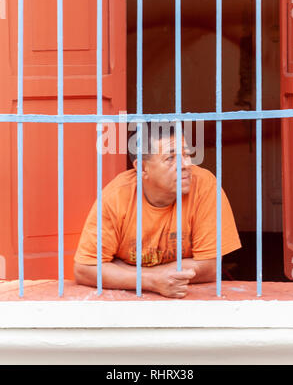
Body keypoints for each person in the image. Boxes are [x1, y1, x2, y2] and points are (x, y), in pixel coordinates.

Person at [74, 123, 241, 298]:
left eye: (186, 154)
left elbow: (210, 267)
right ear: (142, 168)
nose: (186, 164)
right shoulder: (116, 196)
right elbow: (85, 269)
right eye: (170, 158)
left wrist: (125, 271)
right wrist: (153, 281)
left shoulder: (205, 186)